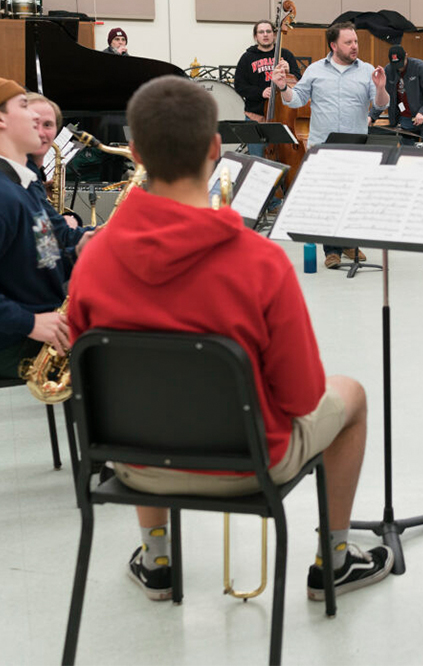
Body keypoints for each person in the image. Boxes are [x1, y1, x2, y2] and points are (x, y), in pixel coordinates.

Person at [67, 75, 393, 602]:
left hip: (136, 463)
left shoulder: (93, 258)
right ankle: (333, 559)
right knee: (349, 393)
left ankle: (156, 559)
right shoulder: (260, 261)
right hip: (248, 463)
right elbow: (301, 397)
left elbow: (88, 378)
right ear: (216, 149)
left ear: (133, 152)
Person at [273, 22, 389, 269]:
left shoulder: (367, 70)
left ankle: (350, 243)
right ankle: (332, 250)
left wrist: (380, 88)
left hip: (355, 146)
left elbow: (380, 104)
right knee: (328, 200)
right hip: (322, 147)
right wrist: (283, 87)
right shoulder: (315, 70)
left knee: (353, 198)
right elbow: (297, 100)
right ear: (334, 45)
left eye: (355, 41)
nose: (354, 46)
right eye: (348, 42)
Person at [0, 79, 92, 379]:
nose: (35, 120)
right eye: (25, 107)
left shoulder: (26, 184)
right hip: (14, 350)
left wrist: (87, 243)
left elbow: (49, 249)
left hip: (39, 339)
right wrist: (30, 322)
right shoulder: (3, 194)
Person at [26, 92, 80, 229]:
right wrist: (67, 225)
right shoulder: (13, 180)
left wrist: (42, 193)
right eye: (33, 124)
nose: (41, 133)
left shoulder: (31, 179)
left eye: (48, 125)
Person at [233, 19, 302, 125]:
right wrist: (261, 92)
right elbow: (239, 86)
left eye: (268, 31)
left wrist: (289, 72)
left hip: (283, 114)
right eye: (261, 32)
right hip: (256, 115)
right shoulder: (247, 57)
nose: (265, 35)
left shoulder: (286, 55)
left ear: (274, 35)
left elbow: (299, 82)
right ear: (255, 37)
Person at [369, 45, 423, 142]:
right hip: (404, 120)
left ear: (406, 56)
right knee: (406, 154)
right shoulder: (389, 70)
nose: (399, 68)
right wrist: (371, 116)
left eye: (401, 64)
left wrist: (422, 112)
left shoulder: (420, 67)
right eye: (396, 65)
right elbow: (384, 97)